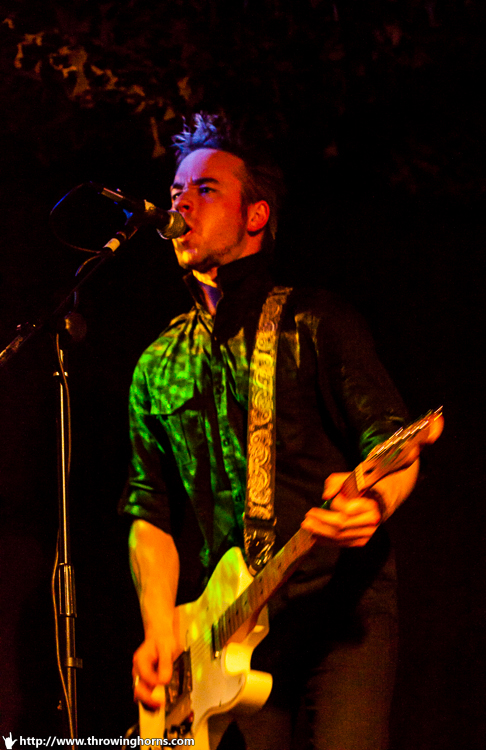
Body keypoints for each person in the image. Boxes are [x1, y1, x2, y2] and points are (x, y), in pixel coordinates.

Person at [120, 113, 419, 750]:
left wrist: (374, 503)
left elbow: (394, 440)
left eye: (206, 190)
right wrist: (159, 629)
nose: (181, 204)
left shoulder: (315, 322)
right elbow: (150, 512)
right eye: (176, 191)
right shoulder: (156, 363)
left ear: (255, 215)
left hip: (340, 610)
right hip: (232, 629)